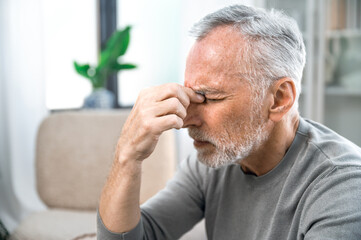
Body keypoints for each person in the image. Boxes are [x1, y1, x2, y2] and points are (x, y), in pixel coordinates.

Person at [97, 4, 361, 240]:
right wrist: (126, 155)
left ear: (279, 99)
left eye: (209, 98)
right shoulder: (214, 161)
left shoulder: (344, 188)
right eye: (190, 96)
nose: (186, 120)